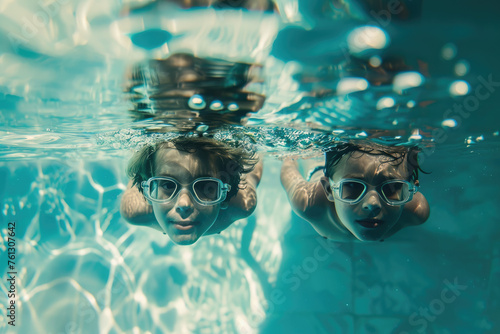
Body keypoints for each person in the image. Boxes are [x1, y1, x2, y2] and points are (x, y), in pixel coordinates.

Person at [120, 136, 262, 245]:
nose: (184, 204)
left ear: (225, 195)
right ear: (147, 192)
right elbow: (139, 174)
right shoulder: (134, 210)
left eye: (204, 187)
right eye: (168, 185)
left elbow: (253, 166)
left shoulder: (242, 203)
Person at [280, 142, 429, 242]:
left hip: (337, 174)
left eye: (392, 188)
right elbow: (289, 171)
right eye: (352, 187)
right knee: (312, 161)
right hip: (317, 171)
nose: (372, 204)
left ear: (410, 192)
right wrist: (288, 158)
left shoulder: (416, 211)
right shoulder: (308, 203)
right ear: (329, 189)